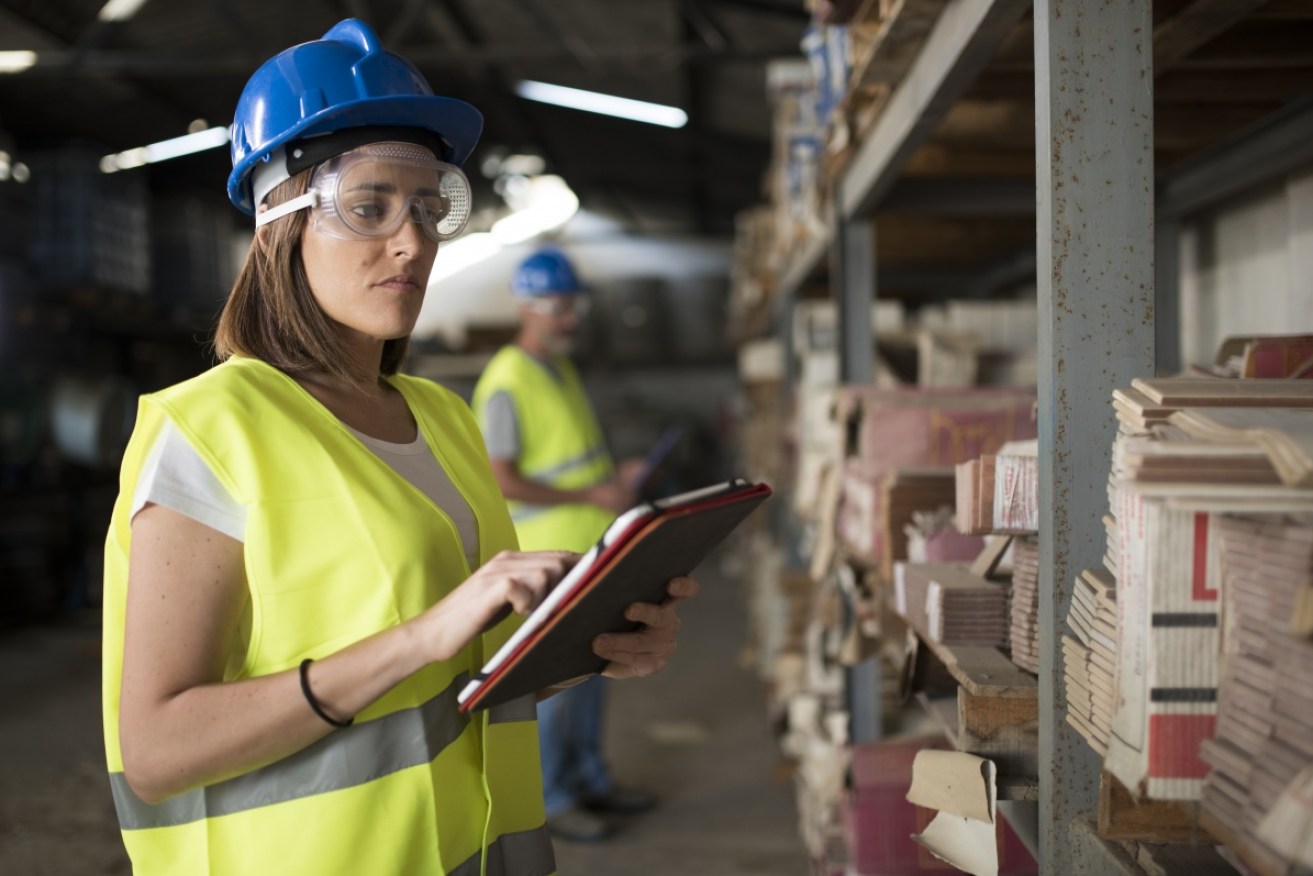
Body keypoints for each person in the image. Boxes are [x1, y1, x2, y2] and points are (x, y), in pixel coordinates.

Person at [101, 20, 696, 876]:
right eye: (368, 206)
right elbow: (157, 750)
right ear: (280, 222)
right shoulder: (213, 429)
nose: (412, 241)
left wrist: (589, 648)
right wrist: (418, 637)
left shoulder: (441, 417)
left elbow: (462, 681)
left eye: (428, 206)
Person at [472, 249, 656, 844]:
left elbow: (571, 456)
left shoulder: (560, 369)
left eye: (573, 304)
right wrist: (590, 491)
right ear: (528, 307)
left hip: (588, 554)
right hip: (545, 562)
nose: (570, 317)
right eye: (559, 307)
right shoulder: (507, 378)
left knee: (594, 673)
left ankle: (592, 779)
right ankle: (557, 797)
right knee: (554, 693)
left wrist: (614, 483)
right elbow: (500, 476)